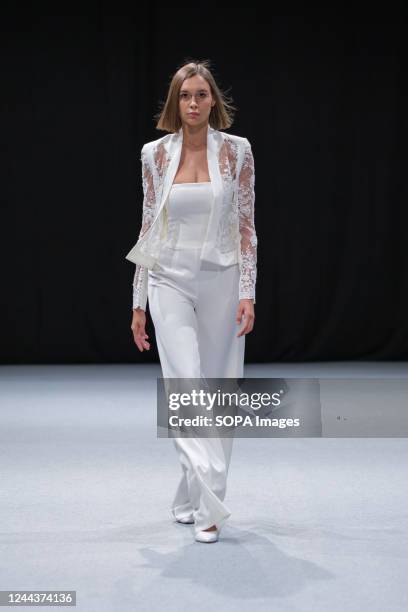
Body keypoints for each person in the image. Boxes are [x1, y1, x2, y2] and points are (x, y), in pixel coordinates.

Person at [126, 59, 257, 543]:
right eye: (186, 95)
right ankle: (212, 506)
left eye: (202, 94)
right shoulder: (154, 155)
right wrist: (139, 300)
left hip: (223, 281)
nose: (195, 103)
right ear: (174, 103)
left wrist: (248, 292)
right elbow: (148, 227)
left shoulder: (238, 152)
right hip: (169, 281)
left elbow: (247, 229)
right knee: (186, 388)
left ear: (213, 100)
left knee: (220, 393)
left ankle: (189, 495)